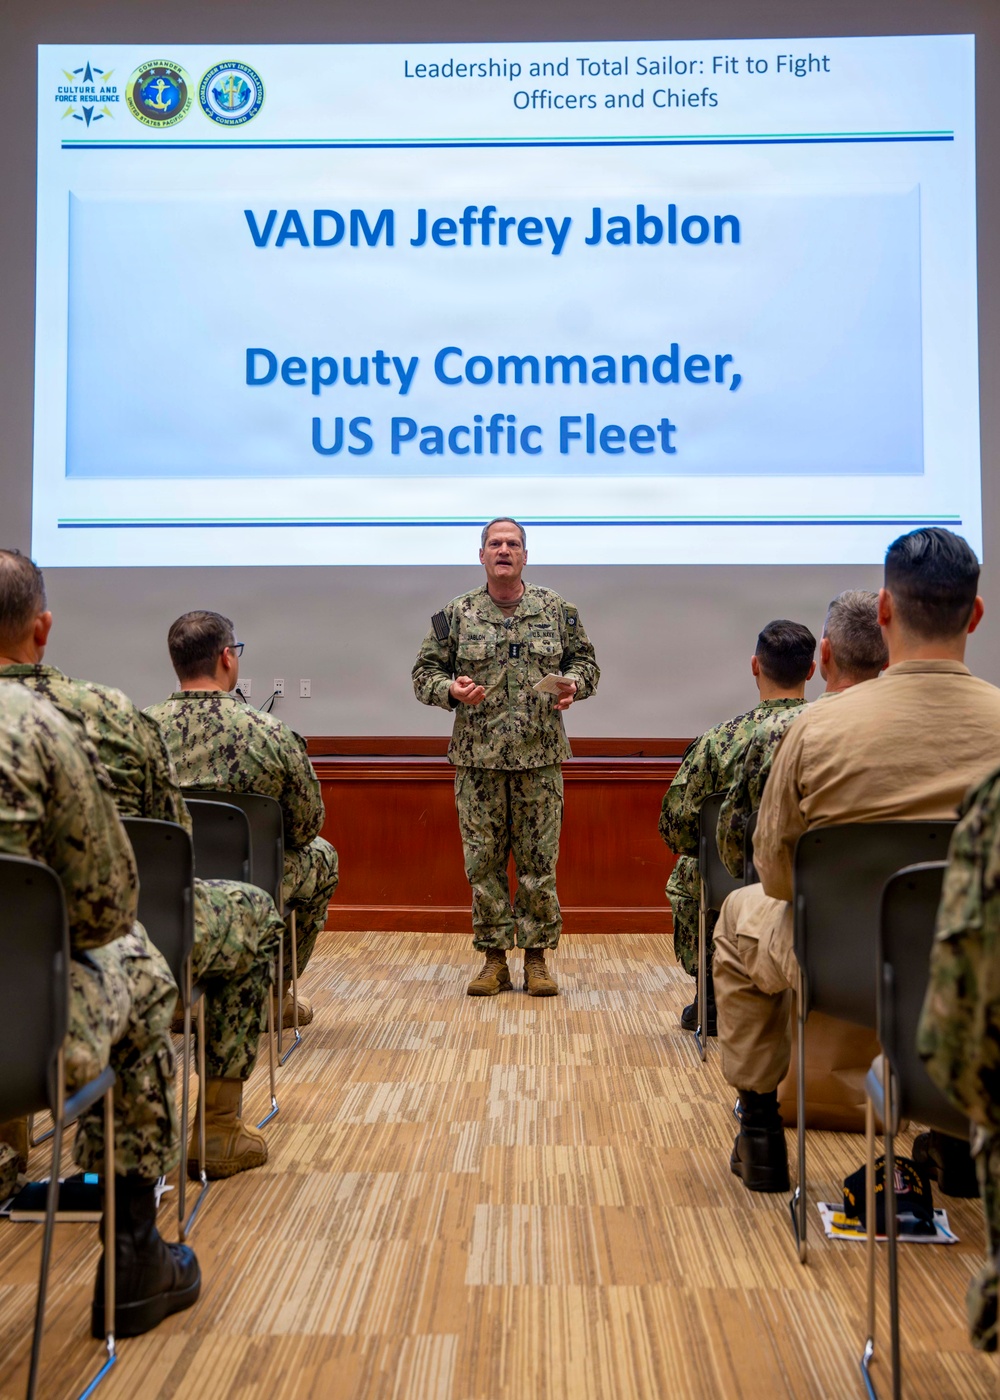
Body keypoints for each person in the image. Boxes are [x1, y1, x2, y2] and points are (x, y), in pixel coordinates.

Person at [715, 527, 1000, 1193]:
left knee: (739, 916)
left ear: (884, 611)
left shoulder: (817, 727)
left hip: (843, 965)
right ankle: (958, 1139)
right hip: (982, 962)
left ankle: (759, 1128)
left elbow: (779, 874)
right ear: (976, 614)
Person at [0, 550, 285, 1179]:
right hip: (82, 963)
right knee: (249, 915)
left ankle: (9, 1135)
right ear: (41, 628)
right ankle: (212, 1131)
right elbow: (163, 845)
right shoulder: (99, 714)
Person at [0, 683, 200, 1337]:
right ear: (41, 627)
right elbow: (104, 910)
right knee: (139, 969)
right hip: (21, 1029)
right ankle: (135, 1260)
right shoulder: (51, 726)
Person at [411, 517, 599, 997]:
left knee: (539, 863)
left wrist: (575, 683)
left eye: (512, 543)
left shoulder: (557, 610)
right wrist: (450, 689)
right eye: (494, 543)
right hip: (478, 762)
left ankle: (536, 960)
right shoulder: (457, 614)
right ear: (481, 556)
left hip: (539, 759)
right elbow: (423, 674)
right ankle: (494, 959)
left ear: (524, 556)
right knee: (484, 864)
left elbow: (587, 664)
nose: (503, 550)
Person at [147, 612, 339, 1027]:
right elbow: (307, 826)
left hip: (162, 880)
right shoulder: (270, 734)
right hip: (255, 882)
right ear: (227, 658)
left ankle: (175, 993)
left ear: (176, 661)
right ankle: (272, 995)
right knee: (322, 857)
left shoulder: (139, 731)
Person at [658, 620, 816, 1032]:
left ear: (755, 667)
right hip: (823, 879)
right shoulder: (834, 731)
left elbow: (677, 828)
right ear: (812, 670)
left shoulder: (718, 741)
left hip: (736, 883)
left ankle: (713, 990)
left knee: (691, 869)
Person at [717, 591, 887, 878]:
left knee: (736, 908)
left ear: (825, 654)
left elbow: (735, 852)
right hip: (904, 904)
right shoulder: (919, 727)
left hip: (807, 904)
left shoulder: (780, 731)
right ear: (886, 660)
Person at [919, 766, 1000, 1350]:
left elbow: (952, 1046)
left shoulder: (993, 807)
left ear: (826, 665)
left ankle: (761, 1124)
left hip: (834, 954)